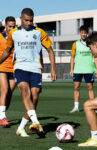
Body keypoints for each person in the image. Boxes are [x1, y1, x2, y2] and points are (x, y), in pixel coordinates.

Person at [0, 8, 56, 137]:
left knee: (34, 97)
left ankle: (21, 127)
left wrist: (53, 69)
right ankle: (35, 121)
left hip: (36, 68)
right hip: (20, 67)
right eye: (26, 20)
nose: (29, 23)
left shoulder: (39, 32)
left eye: (31, 20)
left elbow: (50, 51)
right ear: (21, 18)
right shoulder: (13, 33)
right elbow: (7, 51)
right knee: (25, 91)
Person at [70, 25, 97, 113]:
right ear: (80, 33)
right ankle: (76, 107)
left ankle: (93, 107)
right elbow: (72, 57)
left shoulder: (91, 44)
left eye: (85, 33)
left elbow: (95, 57)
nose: (83, 34)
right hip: (78, 69)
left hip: (89, 69)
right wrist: (71, 69)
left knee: (90, 87)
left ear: (87, 34)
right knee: (76, 87)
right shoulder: (75, 44)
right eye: (82, 33)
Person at [0, 16, 16, 127]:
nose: (12, 28)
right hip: (2, 67)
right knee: (5, 90)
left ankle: (2, 114)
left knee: (10, 93)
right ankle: (2, 117)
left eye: (13, 26)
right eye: (10, 26)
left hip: (14, 69)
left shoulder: (17, 37)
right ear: (5, 26)